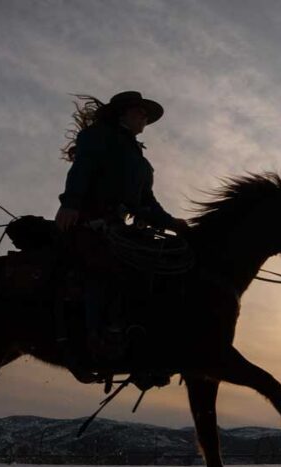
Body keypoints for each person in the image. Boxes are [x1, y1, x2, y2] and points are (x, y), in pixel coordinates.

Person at [54, 91, 188, 371]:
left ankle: (141, 337)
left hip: (117, 225)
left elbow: (145, 202)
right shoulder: (99, 135)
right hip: (90, 219)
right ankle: (97, 338)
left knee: (155, 266)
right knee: (104, 267)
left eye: (146, 115)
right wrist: (71, 204)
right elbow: (82, 169)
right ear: (123, 113)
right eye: (140, 112)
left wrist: (172, 223)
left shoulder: (139, 158)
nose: (145, 118)